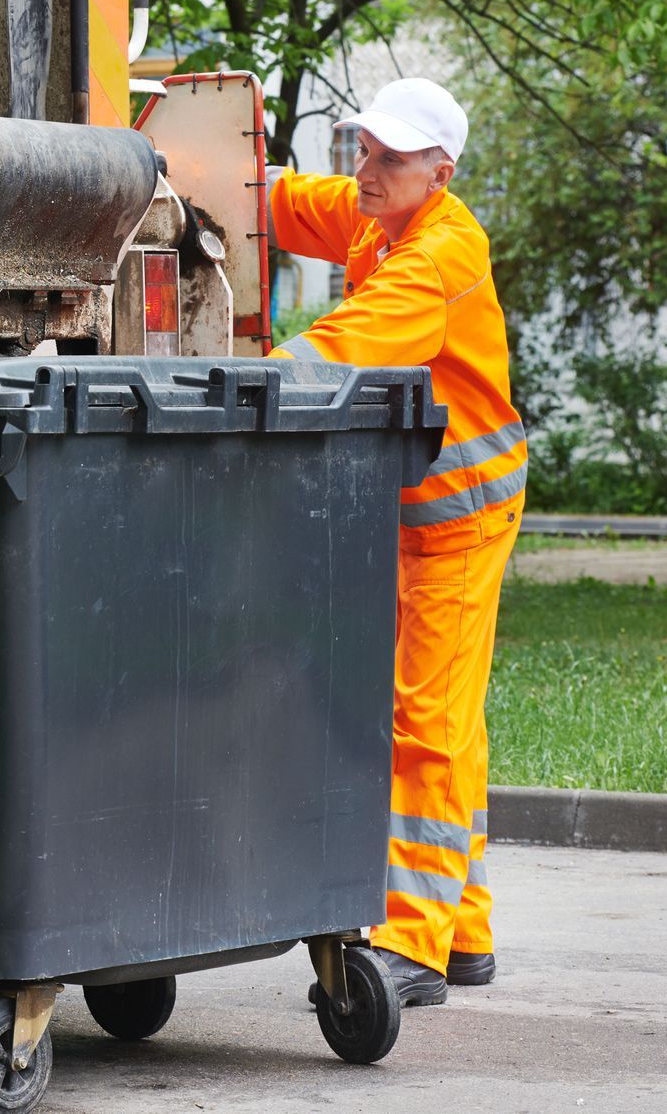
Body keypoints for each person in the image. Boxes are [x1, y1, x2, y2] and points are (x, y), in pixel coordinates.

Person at [269, 78, 525, 1007]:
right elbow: (295, 202)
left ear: (439, 172)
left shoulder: (440, 256)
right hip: (420, 516)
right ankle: (464, 935)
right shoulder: (386, 219)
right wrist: (197, 171)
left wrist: (231, 385)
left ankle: (412, 946)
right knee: (445, 721)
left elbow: (344, 344)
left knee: (425, 725)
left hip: (460, 520)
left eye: (388, 158)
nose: (365, 171)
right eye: (363, 151)